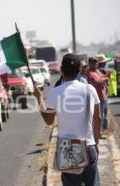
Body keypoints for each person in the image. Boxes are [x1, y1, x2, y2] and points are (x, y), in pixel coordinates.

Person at [33, 53, 101, 186]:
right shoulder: (90, 90)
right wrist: (96, 142)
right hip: (89, 145)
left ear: (61, 70)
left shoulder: (56, 92)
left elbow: (49, 120)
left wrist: (39, 99)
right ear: (79, 70)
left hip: (67, 148)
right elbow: (97, 117)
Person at [87, 57, 109, 131]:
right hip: (97, 98)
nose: (95, 64)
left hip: (103, 96)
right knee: (100, 116)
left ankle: (103, 130)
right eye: (93, 62)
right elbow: (94, 82)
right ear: (89, 63)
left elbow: (101, 77)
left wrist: (106, 77)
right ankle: (99, 132)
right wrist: (104, 79)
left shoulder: (97, 71)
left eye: (96, 62)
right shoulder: (89, 73)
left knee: (104, 114)